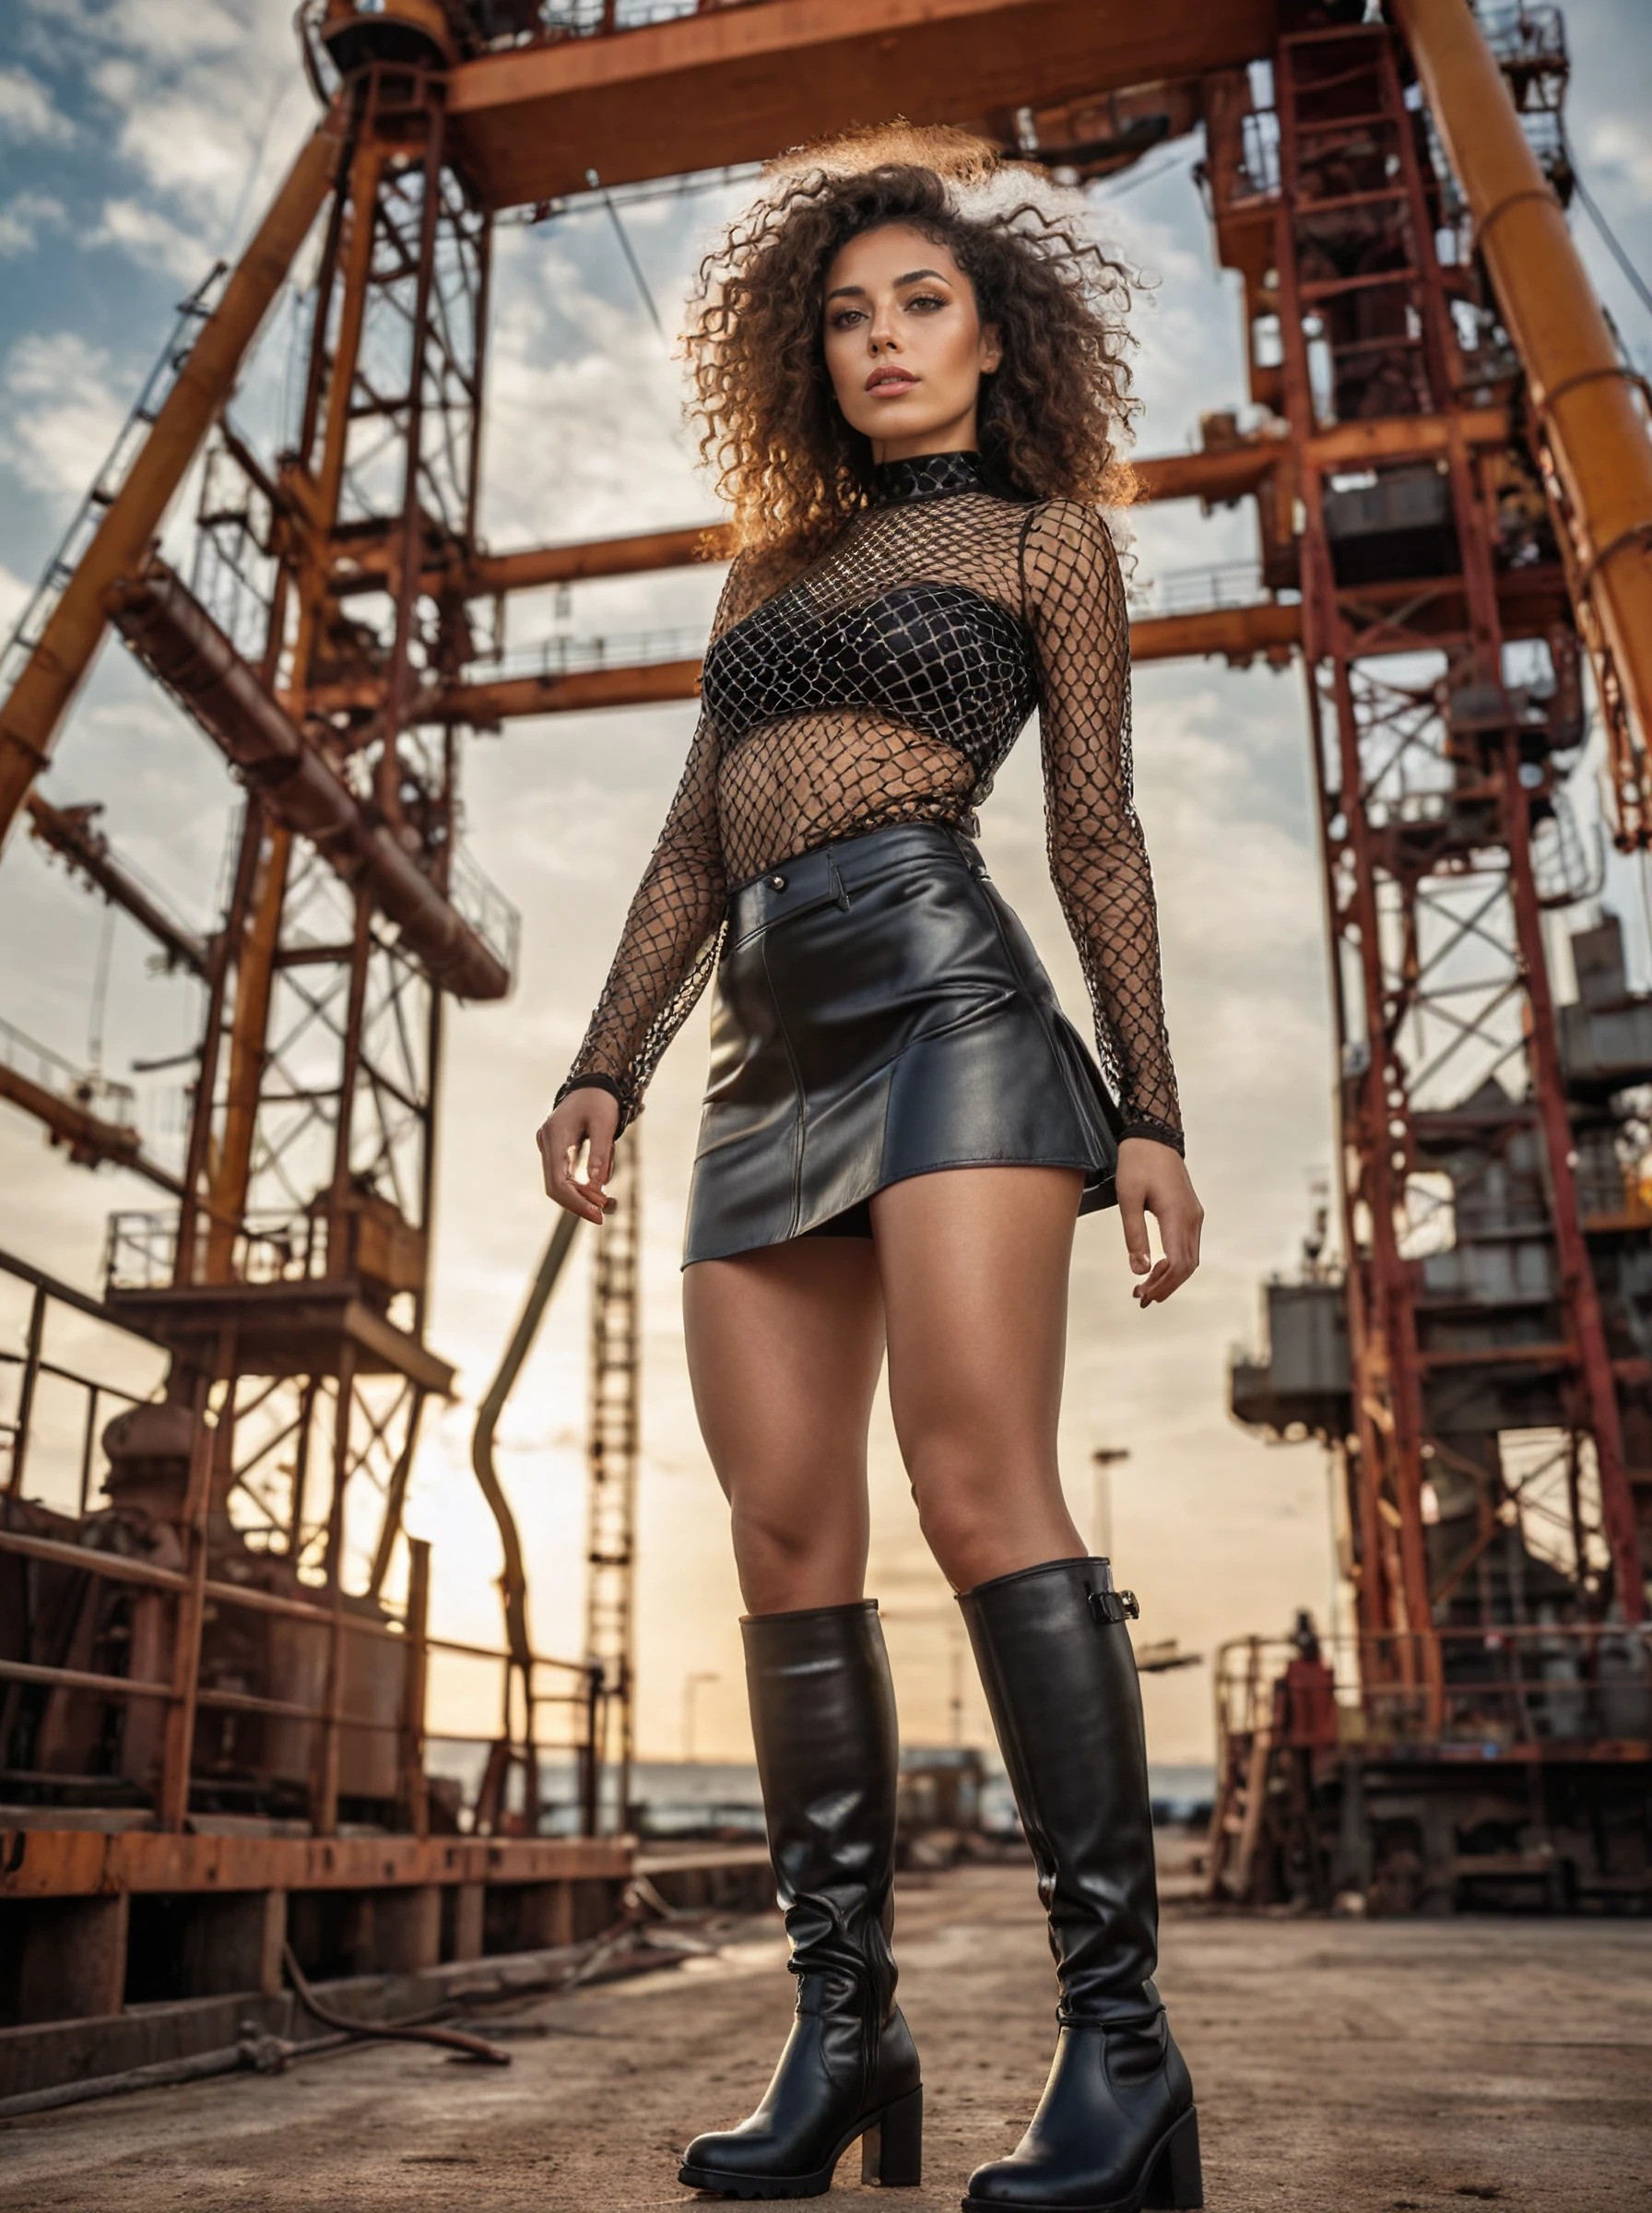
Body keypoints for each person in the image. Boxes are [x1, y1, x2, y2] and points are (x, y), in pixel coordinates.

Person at [537, 125, 1205, 2213]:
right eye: (845, 314)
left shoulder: (1042, 549)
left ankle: (1124, 2059)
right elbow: (683, 835)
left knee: (975, 1482)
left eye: (921, 302)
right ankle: (846, 2036)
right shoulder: (765, 573)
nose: (882, 338)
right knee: (779, 1530)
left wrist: (1152, 1102)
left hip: (946, 1011)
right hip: (757, 1057)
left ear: (993, 340)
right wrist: (602, 1061)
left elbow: (1092, 829)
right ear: (803, 359)